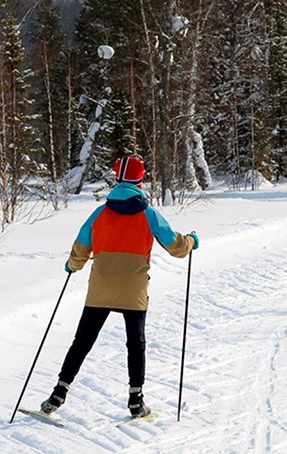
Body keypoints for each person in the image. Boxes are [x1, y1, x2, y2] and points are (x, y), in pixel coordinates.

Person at [40, 155, 199, 418]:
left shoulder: (100, 213)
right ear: (140, 180)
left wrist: (73, 265)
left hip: (100, 287)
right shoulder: (149, 214)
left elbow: (81, 244)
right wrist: (192, 241)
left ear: (116, 179)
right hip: (133, 290)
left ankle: (58, 393)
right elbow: (175, 246)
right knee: (135, 343)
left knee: (82, 342)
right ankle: (136, 401)